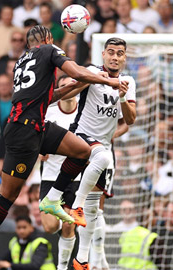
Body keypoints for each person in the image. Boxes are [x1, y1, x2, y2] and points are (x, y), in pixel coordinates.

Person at [0, 25, 121, 270]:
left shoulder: (21, 62)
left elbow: (49, 96)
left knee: (83, 151)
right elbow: (76, 71)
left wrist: (78, 86)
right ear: (47, 39)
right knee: (7, 196)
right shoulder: (48, 49)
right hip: (25, 132)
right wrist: (103, 78)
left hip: (35, 125)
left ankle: (52, 199)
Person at [41, 37, 136, 269]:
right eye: (111, 52)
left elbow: (131, 118)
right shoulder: (92, 72)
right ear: (103, 54)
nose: (115, 57)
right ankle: (75, 206)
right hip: (82, 137)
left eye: (120, 53)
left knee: (95, 209)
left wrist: (122, 96)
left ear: (125, 57)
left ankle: (82, 259)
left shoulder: (128, 81)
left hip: (103, 144)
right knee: (101, 158)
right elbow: (71, 90)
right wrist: (48, 98)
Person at [39, 75, 79, 270]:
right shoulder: (49, 112)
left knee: (68, 223)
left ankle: (62, 267)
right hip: (50, 176)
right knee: (50, 227)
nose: (69, 88)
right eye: (64, 86)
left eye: (72, 84)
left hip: (76, 177)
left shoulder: (85, 112)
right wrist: (39, 151)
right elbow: (35, 139)